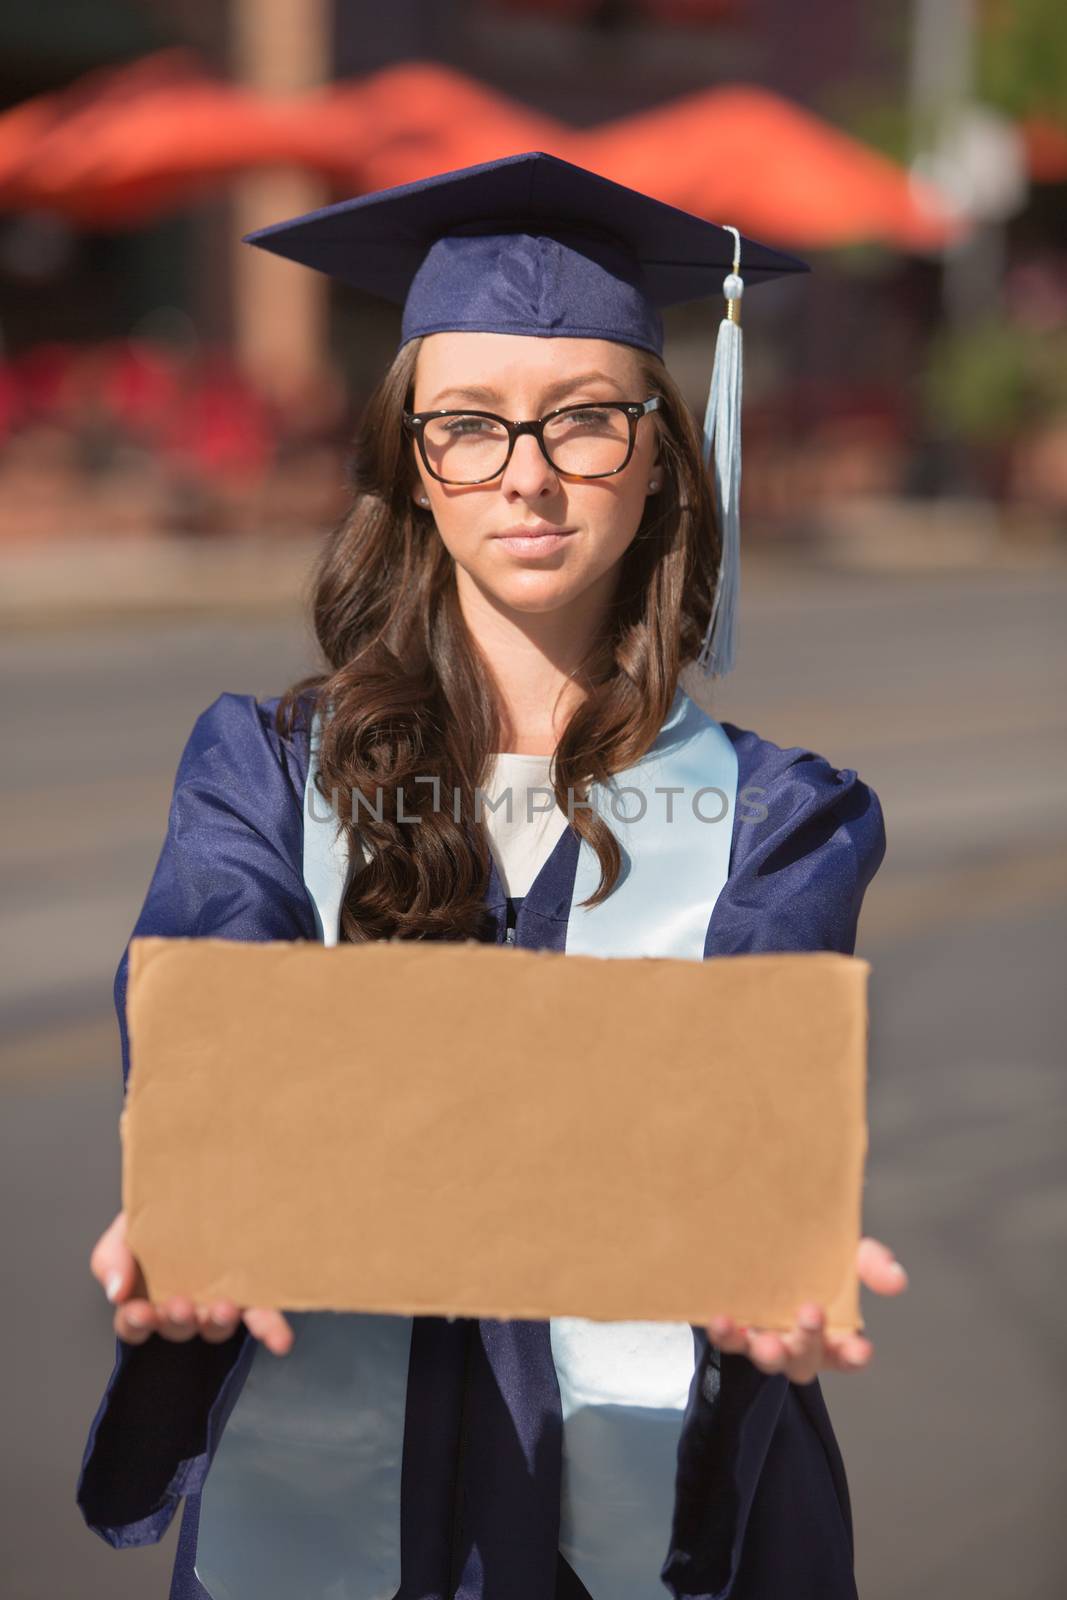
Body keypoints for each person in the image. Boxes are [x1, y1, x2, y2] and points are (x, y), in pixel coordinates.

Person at [78, 152, 907, 1600]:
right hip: (327, 1476)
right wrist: (191, 1203)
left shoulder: (779, 817)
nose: (525, 471)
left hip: (647, 1483)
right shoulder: (267, 774)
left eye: (586, 420)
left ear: (661, 453)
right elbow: (210, 1021)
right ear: (409, 457)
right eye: (467, 425)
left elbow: (748, 1119)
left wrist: (769, 1264)